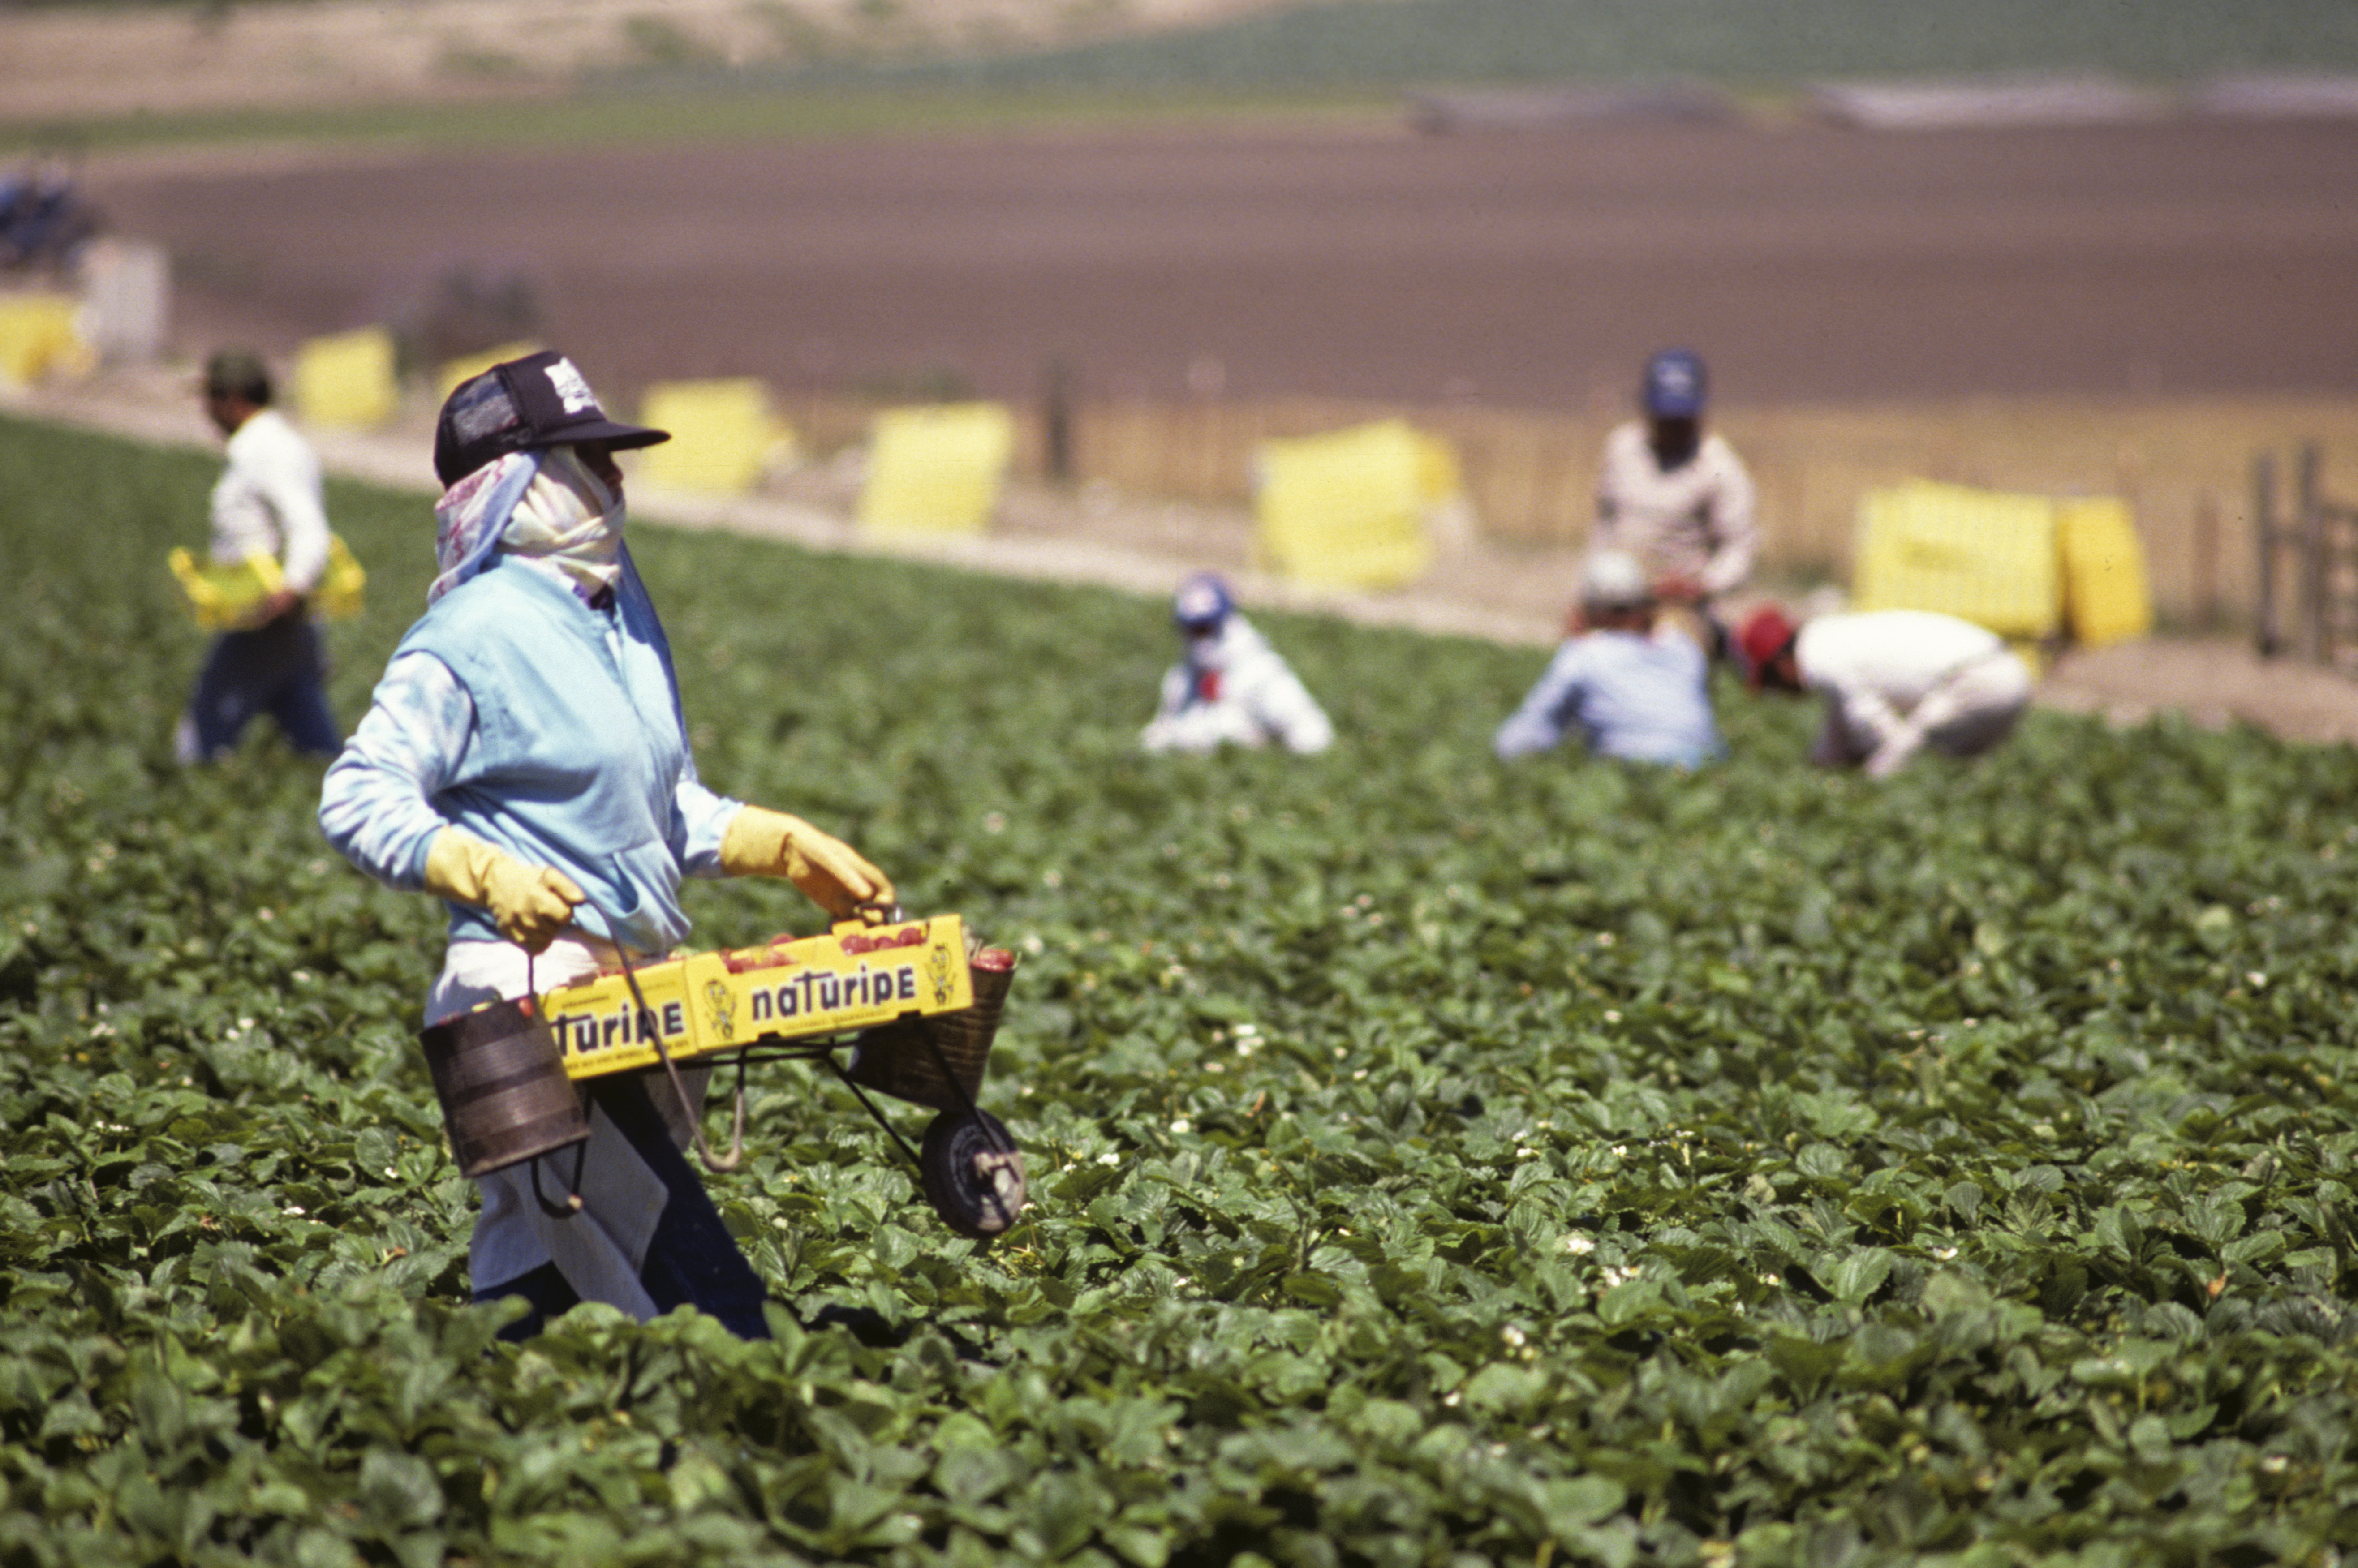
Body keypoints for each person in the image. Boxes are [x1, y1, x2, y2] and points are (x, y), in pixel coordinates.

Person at [318, 349, 895, 1340]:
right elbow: (359, 791)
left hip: (633, 1001)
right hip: (532, 1006)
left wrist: (779, 845)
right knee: (705, 1304)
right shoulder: (472, 633)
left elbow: (662, 808)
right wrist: (481, 868)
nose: (614, 480)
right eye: (589, 459)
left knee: (557, 1273)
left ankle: (499, 1410)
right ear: (525, 481)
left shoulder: (619, 609)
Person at [174, 349, 342, 762]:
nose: (207, 413)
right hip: (286, 621)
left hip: (266, 613)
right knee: (309, 731)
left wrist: (291, 587)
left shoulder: (264, 449)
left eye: (210, 401)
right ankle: (341, 801)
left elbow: (307, 526)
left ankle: (194, 800)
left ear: (232, 400)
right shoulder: (278, 443)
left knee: (203, 734)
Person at [1737, 605, 2034, 779]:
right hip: (2002, 669)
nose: (1779, 692)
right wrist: (1822, 764)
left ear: (1782, 662)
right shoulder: (1826, 640)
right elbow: (1838, 727)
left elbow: (1873, 723)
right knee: (1953, 772)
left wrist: (1875, 778)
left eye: (1772, 680)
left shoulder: (1817, 658)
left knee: (1897, 769)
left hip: (1978, 678)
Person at [1591, 349, 1759, 647]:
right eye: (1664, 418)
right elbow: (1604, 522)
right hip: (1616, 595)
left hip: (1679, 606)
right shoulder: (1621, 448)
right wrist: (1592, 581)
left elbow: (1740, 549)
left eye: (1681, 419)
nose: (1672, 428)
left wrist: (1702, 584)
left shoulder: (1720, 467)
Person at [1493, 549, 1721, 766]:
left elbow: (1528, 730)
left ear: (1590, 610)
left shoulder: (1584, 654)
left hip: (1640, 766)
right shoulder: (1683, 648)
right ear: (1643, 604)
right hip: (1709, 762)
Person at [1139, 572, 1334, 756]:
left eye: (1207, 629)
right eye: (1193, 630)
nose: (1201, 640)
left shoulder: (1259, 671)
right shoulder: (1183, 675)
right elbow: (1162, 730)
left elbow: (1313, 732)